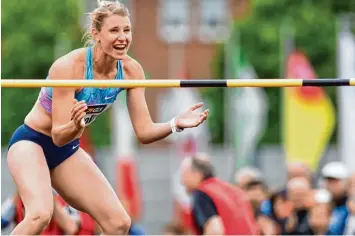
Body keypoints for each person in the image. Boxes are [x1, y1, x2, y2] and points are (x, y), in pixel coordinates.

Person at [6, 0, 209, 235]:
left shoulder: (132, 71)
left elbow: (143, 131)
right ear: (96, 34)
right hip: (32, 142)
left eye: (126, 30)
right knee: (39, 215)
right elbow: (59, 135)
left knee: (119, 223)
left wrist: (175, 124)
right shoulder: (69, 67)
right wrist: (77, 125)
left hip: (66, 150)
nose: (122, 37)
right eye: (114, 30)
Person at [180, 153, 259, 235]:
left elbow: (215, 231)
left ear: (197, 174)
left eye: (184, 175)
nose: (182, 181)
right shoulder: (235, 191)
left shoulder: (202, 193)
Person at [1, 191, 98, 235]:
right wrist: (20, 189)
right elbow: (2, 221)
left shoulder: (65, 199)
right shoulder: (20, 199)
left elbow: (71, 227)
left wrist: (50, 197)